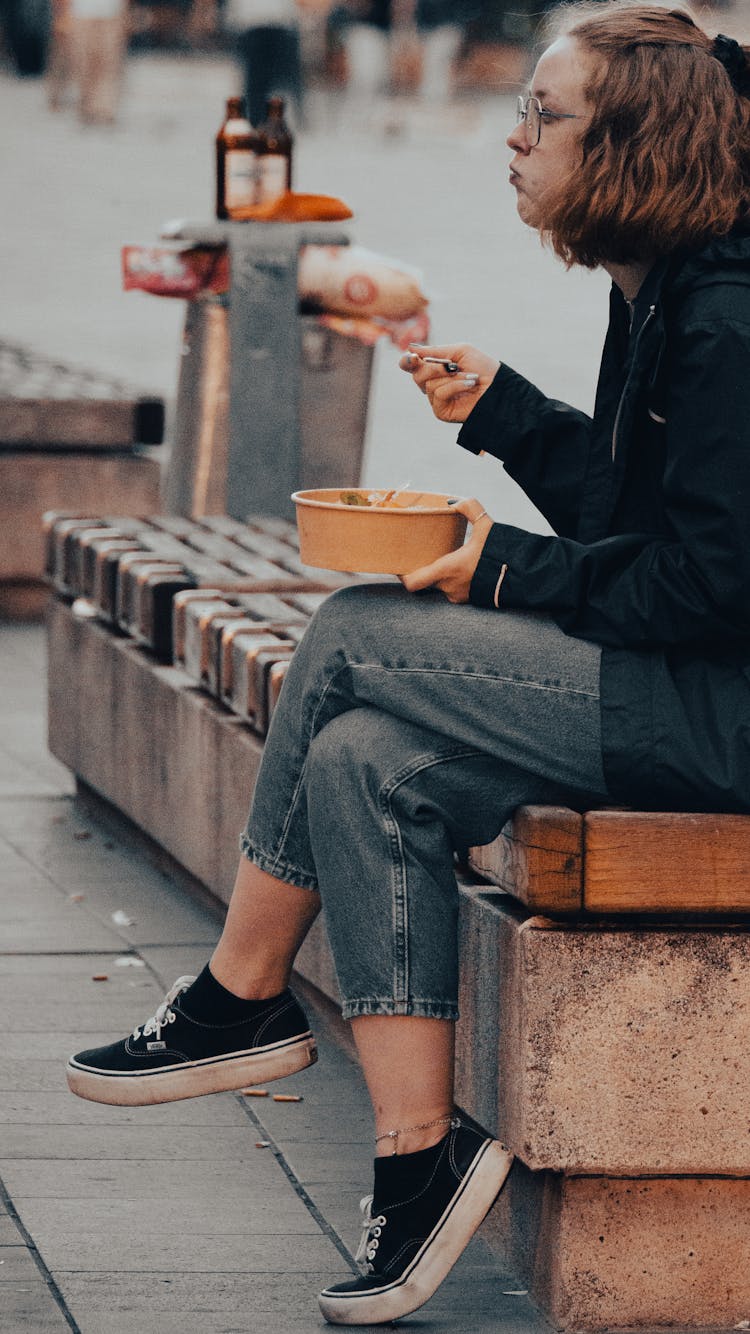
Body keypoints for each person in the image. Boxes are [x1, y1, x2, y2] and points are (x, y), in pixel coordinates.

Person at [65, 1, 750, 1324]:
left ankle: (238, 992)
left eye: (538, 116)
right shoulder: (659, 283)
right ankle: (413, 1164)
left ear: (626, 142)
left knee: (355, 632)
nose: (511, 138)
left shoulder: (725, 319)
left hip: (721, 719)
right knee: (364, 755)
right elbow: (638, 525)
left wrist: (498, 568)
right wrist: (504, 414)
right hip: (685, 691)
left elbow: (717, 587)